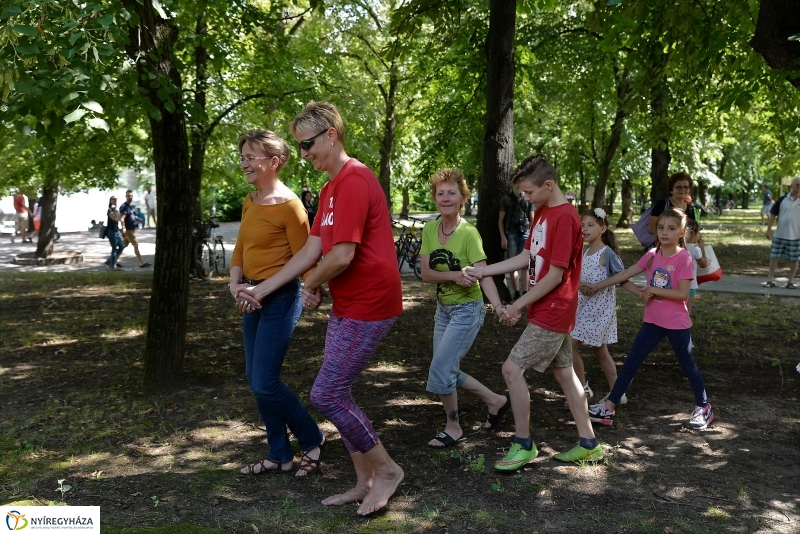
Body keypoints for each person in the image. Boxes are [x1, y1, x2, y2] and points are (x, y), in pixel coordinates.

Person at [236, 101, 404, 516]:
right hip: (349, 302)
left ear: (331, 134)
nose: (304, 153)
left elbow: (343, 255)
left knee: (327, 393)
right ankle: (364, 480)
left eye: (307, 143)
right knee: (336, 391)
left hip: (371, 303)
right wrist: (264, 289)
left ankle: (386, 471)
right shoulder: (330, 188)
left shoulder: (354, 180)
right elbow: (315, 249)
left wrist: (310, 283)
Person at [463, 154, 603, 471]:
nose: (524, 198)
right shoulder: (540, 211)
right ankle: (589, 444)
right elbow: (528, 256)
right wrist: (484, 271)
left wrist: (516, 304)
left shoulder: (565, 218)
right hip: (545, 306)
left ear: (548, 185)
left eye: (528, 192)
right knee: (565, 373)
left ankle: (523, 443)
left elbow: (555, 275)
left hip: (555, 310)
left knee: (511, 370)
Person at [228, 129, 325, 478]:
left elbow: (306, 258)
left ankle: (312, 438)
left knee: (265, 382)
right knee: (257, 380)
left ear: (273, 162)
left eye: (250, 157)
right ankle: (279, 453)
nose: (245, 163)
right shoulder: (250, 200)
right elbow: (240, 248)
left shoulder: (292, 206)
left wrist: (313, 289)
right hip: (250, 296)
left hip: (280, 298)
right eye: (242, 157)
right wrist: (235, 284)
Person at [586, 207, 714, 430]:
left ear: (682, 232)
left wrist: (653, 290)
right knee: (630, 363)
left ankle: (703, 407)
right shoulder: (653, 254)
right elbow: (625, 274)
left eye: (671, 228)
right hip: (652, 322)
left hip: (676, 324)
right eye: (661, 228)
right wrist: (597, 286)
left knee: (688, 366)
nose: (665, 232)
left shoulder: (683, 258)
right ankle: (608, 407)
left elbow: (682, 294)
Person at [420, 168, 511, 449]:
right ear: (435, 198)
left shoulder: (469, 234)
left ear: (463, 198)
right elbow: (425, 274)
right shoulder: (430, 228)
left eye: (452, 193)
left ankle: (453, 427)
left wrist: (498, 306)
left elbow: (484, 275)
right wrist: (453, 275)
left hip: (467, 310)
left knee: (441, 368)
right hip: (443, 310)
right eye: (440, 193)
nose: (445, 198)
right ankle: (496, 401)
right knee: (444, 369)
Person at [572, 208, 639, 403]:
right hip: (582, 308)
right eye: (582, 225)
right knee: (600, 351)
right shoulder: (583, 252)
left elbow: (622, 277)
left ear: (603, 228)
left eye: (590, 225)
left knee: (570, 348)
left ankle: (582, 389)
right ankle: (618, 392)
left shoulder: (607, 253)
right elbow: (576, 278)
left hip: (599, 310)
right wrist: (581, 286)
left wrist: (639, 292)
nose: (585, 229)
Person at [498, 182, 534, 301]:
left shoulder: (527, 198)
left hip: (525, 233)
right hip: (511, 233)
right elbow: (500, 221)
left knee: (525, 266)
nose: (519, 184)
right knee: (512, 265)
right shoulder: (506, 199)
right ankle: (517, 293)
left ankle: (525, 292)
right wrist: (503, 237)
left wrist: (532, 236)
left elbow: (532, 219)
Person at [765, 176, 800, 289]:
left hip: (796, 236)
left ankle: (790, 282)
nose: (799, 187)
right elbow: (773, 214)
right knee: (774, 257)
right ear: (791, 186)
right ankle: (770, 280)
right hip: (780, 234)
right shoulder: (782, 199)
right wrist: (769, 229)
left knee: (794, 259)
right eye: (797, 185)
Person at [647, 172, 696, 245]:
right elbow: (651, 228)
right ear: (671, 190)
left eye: (686, 187)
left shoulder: (691, 209)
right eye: (678, 187)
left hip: (684, 250)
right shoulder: (662, 204)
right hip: (663, 249)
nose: (682, 189)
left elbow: (693, 232)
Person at [118, 190, 151, 268]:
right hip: (128, 230)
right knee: (136, 245)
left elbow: (133, 215)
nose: (130, 197)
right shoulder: (124, 206)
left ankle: (113, 260)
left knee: (123, 245)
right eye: (128, 196)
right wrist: (123, 229)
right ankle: (142, 263)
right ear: (126, 196)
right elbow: (122, 218)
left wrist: (138, 219)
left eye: (131, 196)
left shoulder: (132, 206)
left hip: (132, 229)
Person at [684, 219, 709, 314]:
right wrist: (702, 247)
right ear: (694, 233)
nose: (699, 235)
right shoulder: (695, 250)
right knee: (687, 310)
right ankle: (685, 327)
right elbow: (704, 265)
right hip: (690, 285)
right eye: (698, 232)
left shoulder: (677, 247)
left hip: (676, 284)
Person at [105, 196, 124, 271]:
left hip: (116, 231)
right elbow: (115, 219)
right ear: (110, 201)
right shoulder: (109, 210)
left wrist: (116, 212)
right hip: (111, 231)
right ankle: (113, 266)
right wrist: (115, 212)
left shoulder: (117, 210)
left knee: (121, 246)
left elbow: (119, 218)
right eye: (113, 199)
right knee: (114, 248)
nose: (115, 200)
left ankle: (109, 260)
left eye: (116, 199)